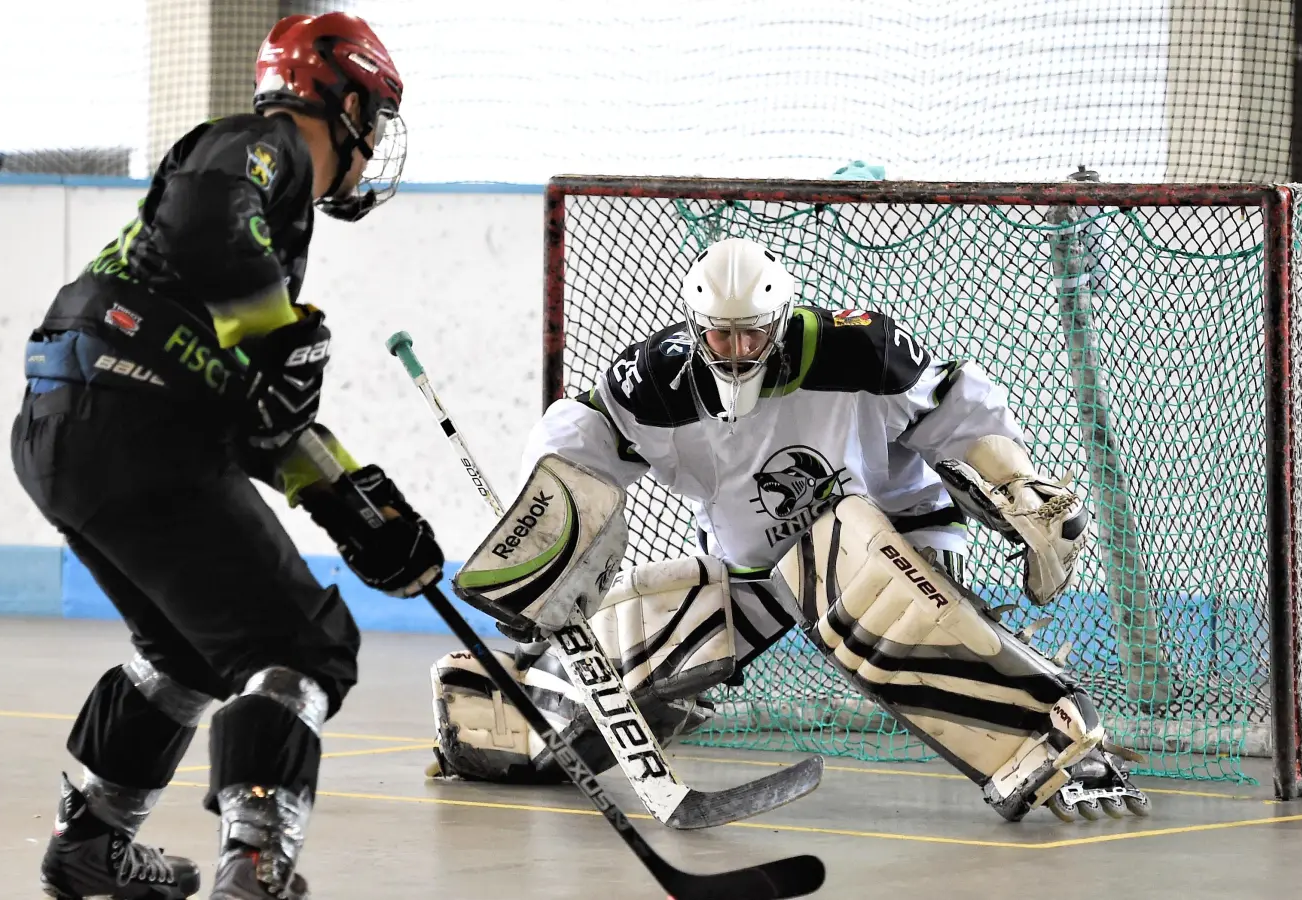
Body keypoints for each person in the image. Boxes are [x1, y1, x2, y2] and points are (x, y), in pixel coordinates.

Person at [430, 237, 1150, 822]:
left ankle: (1051, 738)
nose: (736, 349)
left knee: (858, 574)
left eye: (752, 333)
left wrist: (1016, 481)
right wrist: (546, 530)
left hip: (895, 533)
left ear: (780, 321)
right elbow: (584, 436)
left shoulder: (858, 347)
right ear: (693, 324)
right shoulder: (659, 375)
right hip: (759, 561)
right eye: (720, 332)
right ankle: (503, 724)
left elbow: (958, 405)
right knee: (670, 621)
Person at [12, 13, 441, 899]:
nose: (377, 141)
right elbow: (208, 217)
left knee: (184, 650)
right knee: (303, 648)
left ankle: (89, 841)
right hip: (134, 422)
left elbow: (256, 415)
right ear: (350, 101)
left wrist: (361, 509)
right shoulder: (263, 147)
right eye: (379, 115)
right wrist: (276, 335)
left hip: (73, 431)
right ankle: (256, 867)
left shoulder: (266, 234)